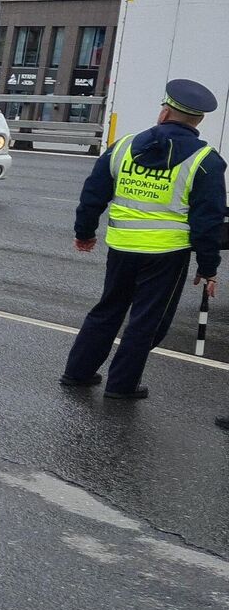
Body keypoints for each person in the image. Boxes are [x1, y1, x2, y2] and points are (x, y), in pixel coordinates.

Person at [62, 79, 225, 399]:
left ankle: (77, 372)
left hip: (122, 247)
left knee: (107, 309)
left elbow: (93, 193)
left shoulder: (123, 146)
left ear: (164, 113)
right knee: (146, 322)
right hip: (166, 254)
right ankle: (121, 387)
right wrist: (208, 268)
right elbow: (208, 221)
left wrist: (85, 232)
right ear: (199, 120)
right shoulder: (206, 160)